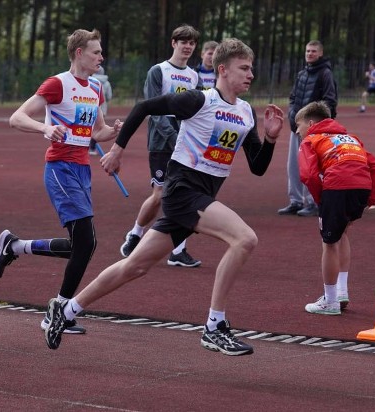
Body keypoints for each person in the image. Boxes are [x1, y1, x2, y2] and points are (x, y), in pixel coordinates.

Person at [43, 38, 285, 356]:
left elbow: (258, 167)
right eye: (244, 68)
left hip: (202, 196)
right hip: (183, 192)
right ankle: (215, 327)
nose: (250, 74)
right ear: (223, 70)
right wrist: (117, 150)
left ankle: (66, 309)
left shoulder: (245, 112)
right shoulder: (199, 100)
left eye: (251, 69)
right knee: (244, 238)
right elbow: (144, 108)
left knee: (134, 266)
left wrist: (270, 139)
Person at [0, 28, 122, 334]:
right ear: (79, 53)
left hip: (82, 170)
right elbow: (16, 118)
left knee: (80, 246)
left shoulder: (95, 89)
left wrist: (114, 131)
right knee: (87, 242)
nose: (101, 57)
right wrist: (45, 129)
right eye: (96, 52)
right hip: (60, 169)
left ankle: (16, 246)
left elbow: (97, 131)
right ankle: (60, 312)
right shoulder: (57, 84)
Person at [120, 24, 201, 268]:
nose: (188, 47)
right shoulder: (158, 71)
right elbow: (153, 110)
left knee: (185, 194)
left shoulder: (194, 76)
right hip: (161, 143)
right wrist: (174, 138)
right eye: (183, 42)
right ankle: (136, 233)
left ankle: (178, 251)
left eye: (192, 43)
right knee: (159, 195)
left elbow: (195, 111)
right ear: (173, 43)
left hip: (185, 143)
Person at [295, 101, 375, 315]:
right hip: (361, 187)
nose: (297, 131)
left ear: (310, 123)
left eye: (298, 125)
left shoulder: (311, 140)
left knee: (329, 243)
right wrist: (371, 199)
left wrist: (321, 200)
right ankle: (341, 291)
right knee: (342, 233)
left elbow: (308, 175)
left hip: (337, 187)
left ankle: (330, 300)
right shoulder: (351, 139)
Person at [278, 40, 337, 217]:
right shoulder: (302, 74)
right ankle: (295, 201)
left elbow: (330, 101)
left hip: (314, 130)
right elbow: (293, 98)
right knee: (293, 165)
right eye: (307, 51)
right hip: (297, 126)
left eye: (313, 51)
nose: (309, 54)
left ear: (320, 53)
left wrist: (317, 122)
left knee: (312, 165)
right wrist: (292, 115)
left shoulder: (325, 74)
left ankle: (313, 201)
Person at [88, 66, 113, 155]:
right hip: (102, 107)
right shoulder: (106, 83)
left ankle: (84, 145)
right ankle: (92, 147)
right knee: (97, 128)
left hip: (90, 105)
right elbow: (109, 96)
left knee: (88, 125)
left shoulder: (89, 80)